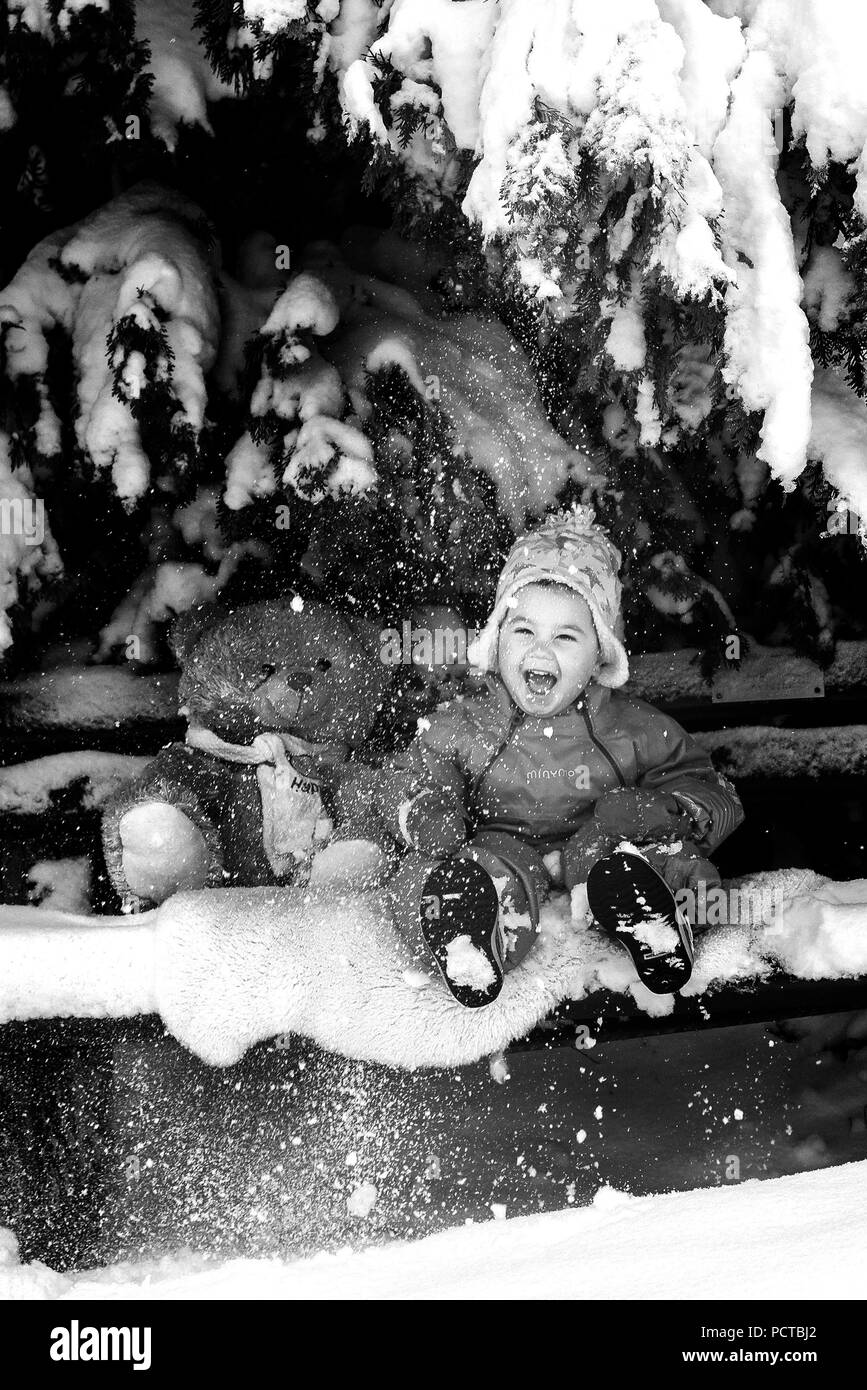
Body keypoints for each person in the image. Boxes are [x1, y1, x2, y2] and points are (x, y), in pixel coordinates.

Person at [313, 506, 745, 1005]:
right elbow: (408, 776)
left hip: (605, 852)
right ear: (497, 642)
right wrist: (422, 808)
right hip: (500, 852)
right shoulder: (467, 723)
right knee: (447, 876)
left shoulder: (633, 726)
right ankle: (467, 937)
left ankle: (658, 920)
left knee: (659, 858)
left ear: (600, 654)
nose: (540, 650)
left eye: (565, 636)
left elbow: (713, 790)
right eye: (523, 631)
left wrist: (670, 811)